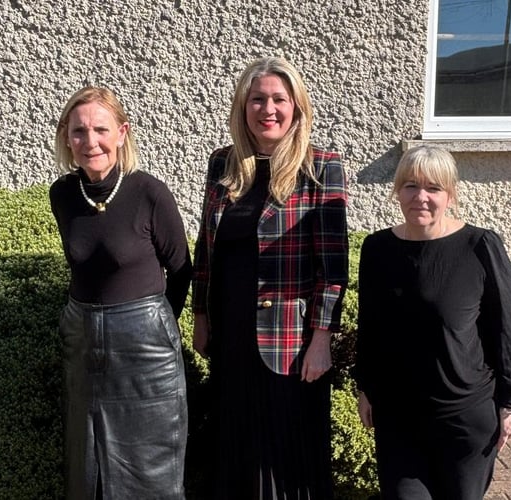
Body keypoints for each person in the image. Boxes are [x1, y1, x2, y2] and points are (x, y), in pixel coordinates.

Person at [191, 57, 349, 499]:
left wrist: (321, 339)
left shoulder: (320, 168)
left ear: (297, 106)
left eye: (279, 99)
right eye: (257, 99)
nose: (268, 109)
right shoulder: (224, 164)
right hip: (232, 338)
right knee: (236, 447)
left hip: (291, 344)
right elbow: (207, 249)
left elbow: (333, 267)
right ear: (243, 107)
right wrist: (201, 316)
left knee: (286, 454)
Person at [353, 145, 511, 499]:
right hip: (398, 417)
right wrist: (366, 386)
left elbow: (508, 327)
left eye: (433, 188)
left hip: (464, 418)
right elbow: (372, 325)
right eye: (410, 185)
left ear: (450, 195)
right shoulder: (377, 249)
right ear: (396, 191)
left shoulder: (480, 246)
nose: (420, 197)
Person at [49, 86, 192, 499]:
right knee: (87, 472)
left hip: (145, 355)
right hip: (83, 347)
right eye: (78, 132)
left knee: (152, 474)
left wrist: (156, 325)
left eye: (100, 129)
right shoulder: (62, 195)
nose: (89, 141)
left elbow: (181, 270)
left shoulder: (148, 192)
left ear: (121, 133)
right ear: (67, 138)